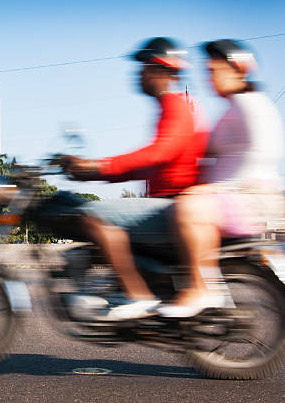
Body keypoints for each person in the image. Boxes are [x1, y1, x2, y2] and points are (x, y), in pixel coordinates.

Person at [61, 37, 209, 320]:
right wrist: (91, 173)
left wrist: (98, 166)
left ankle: (135, 294)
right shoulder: (170, 107)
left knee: (89, 214)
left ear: (161, 71)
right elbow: (148, 166)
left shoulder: (176, 106)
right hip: (167, 203)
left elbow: (158, 154)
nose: (139, 74)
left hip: (170, 206)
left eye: (145, 67)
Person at [157, 39, 284, 317]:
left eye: (214, 70)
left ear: (237, 69)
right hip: (234, 195)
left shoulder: (253, 105)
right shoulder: (232, 108)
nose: (209, 77)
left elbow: (261, 154)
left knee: (191, 207)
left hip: (254, 196)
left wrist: (215, 189)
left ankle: (203, 287)